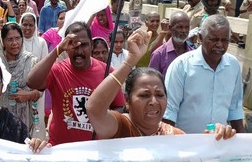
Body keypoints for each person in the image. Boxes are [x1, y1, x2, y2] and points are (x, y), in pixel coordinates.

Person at [87, 28, 236, 139]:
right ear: (127, 101)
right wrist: (130, 61)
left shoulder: (174, 136)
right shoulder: (120, 127)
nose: (154, 101)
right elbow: (94, 109)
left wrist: (216, 140)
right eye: (144, 95)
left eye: (159, 95)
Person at [27, 21, 125, 145]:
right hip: (61, 149)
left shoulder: (108, 73)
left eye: (84, 45)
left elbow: (119, 106)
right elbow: (31, 82)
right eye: (73, 45)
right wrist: (58, 50)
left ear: (91, 46)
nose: (79, 51)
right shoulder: (58, 70)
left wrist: (106, 125)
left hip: (96, 150)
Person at [164, 14, 245, 134]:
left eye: (224, 40)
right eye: (214, 39)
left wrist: (243, 146)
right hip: (185, 144)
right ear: (201, 38)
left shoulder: (233, 65)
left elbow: (235, 109)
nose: (219, 45)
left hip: (219, 142)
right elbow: (169, 111)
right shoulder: (181, 66)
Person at [149, 11, 195, 77]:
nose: (184, 31)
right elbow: (151, 81)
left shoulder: (193, 54)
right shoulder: (159, 54)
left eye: (187, 27)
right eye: (180, 27)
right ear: (170, 28)